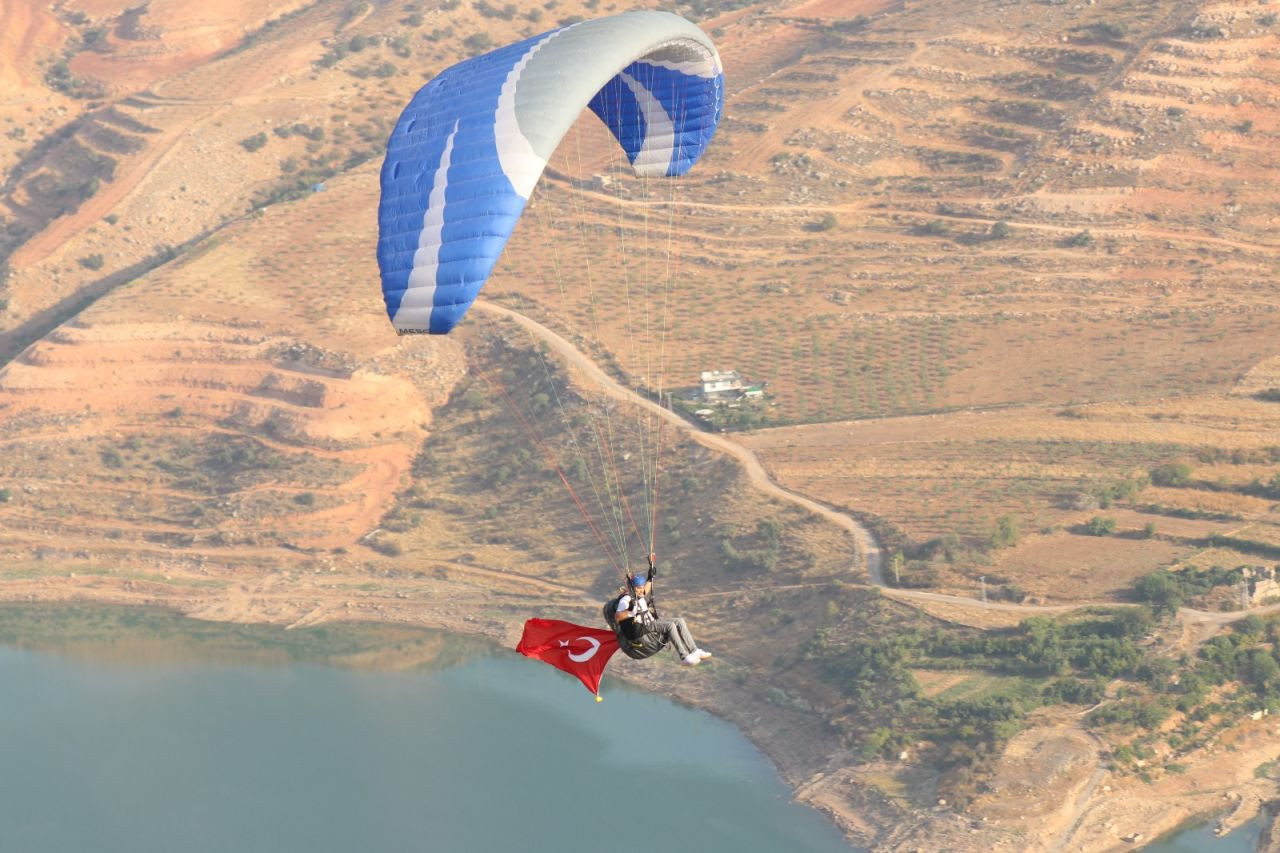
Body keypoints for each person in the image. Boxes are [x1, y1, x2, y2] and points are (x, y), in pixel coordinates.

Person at [615, 572, 711, 666]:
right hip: (642, 627)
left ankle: (694, 650)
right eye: (638, 588)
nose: (641, 590)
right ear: (632, 588)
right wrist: (630, 611)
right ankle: (684, 656)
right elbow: (618, 617)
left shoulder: (638, 595)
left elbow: (645, 589)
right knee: (670, 626)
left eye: (642, 587)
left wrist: (650, 576)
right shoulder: (626, 600)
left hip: (650, 622)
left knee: (679, 621)